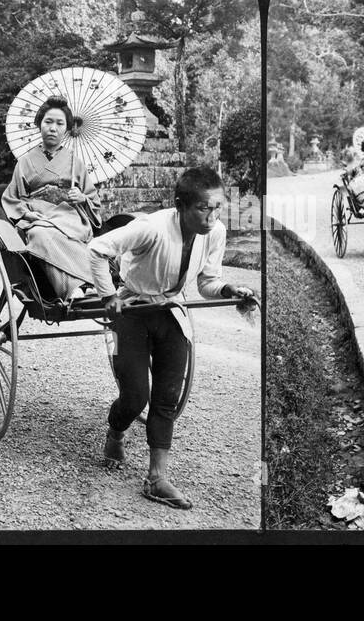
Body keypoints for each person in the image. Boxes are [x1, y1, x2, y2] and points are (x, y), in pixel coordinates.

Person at [87, 166, 257, 510]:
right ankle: (116, 431)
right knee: (135, 397)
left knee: (166, 398)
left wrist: (229, 289)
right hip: (131, 314)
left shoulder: (215, 232)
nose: (211, 218)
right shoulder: (150, 228)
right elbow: (97, 249)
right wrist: (108, 296)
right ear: (180, 205)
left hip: (171, 312)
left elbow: (208, 281)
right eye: (203, 209)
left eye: (217, 209)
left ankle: (156, 478)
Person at [1, 95, 100, 301]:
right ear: (39, 124)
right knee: (40, 236)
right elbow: (12, 198)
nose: (53, 128)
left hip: (69, 216)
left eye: (59, 123)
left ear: (67, 129)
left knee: (67, 234)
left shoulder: (75, 162)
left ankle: (80, 285)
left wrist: (81, 197)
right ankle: (77, 286)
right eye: (48, 121)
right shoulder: (25, 162)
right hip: (37, 217)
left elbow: (93, 200)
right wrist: (27, 213)